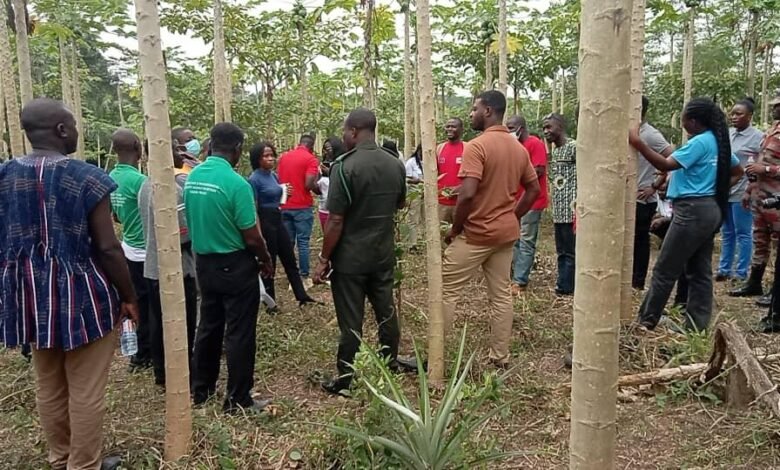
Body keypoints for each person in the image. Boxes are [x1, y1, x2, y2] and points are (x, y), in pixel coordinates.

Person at [0, 98, 138, 470]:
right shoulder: (86, 177)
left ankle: (60, 459)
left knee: (48, 382)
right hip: (84, 298)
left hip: (30, 298)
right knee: (86, 388)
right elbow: (108, 247)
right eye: (74, 124)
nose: (77, 130)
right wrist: (129, 297)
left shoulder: (4, 175)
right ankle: (84, 465)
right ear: (62, 130)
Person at [312, 108, 416, 395]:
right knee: (386, 311)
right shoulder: (394, 164)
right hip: (382, 254)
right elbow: (399, 204)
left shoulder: (344, 167)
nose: (344, 136)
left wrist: (323, 259)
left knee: (351, 320)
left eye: (345, 131)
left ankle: (346, 378)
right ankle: (389, 360)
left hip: (350, 259)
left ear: (354, 131)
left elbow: (335, 219)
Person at [442, 91, 540, 366]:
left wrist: (455, 229)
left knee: (446, 291)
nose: (471, 114)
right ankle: (500, 356)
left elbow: (468, 193)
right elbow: (533, 189)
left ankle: (435, 357)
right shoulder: (518, 148)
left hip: (476, 235)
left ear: (487, 111)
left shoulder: (476, 146)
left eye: (474, 109)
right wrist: (513, 215)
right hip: (504, 235)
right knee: (500, 296)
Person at [630, 97, 743, 331]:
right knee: (699, 270)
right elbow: (738, 171)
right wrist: (714, 189)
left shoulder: (700, 142)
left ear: (692, 121)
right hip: (710, 209)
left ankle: (646, 321)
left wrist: (638, 143)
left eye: (683, 117)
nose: (681, 121)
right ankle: (696, 325)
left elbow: (665, 163)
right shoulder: (717, 141)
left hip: (691, 212)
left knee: (665, 268)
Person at [183, 122, 274, 413]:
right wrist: (265, 258)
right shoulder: (237, 184)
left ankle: (202, 390)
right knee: (239, 332)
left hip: (204, 263)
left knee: (208, 327)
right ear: (237, 150)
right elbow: (251, 234)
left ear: (210, 144)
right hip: (234, 265)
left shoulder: (193, 177)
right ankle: (238, 399)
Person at [138, 142, 198, 387]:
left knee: (157, 321)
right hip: (177, 269)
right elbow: (183, 234)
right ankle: (183, 373)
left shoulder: (145, 184)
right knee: (183, 324)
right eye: (175, 149)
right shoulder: (170, 189)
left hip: (152, 267)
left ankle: (162, 373)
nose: (180, 154)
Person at [248, 141, 316, 308]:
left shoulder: (273, 175)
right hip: (265, 221)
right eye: (266, 156)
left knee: (289, 258)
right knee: (269, 262)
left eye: (272, 155)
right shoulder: (254, 179)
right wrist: (259, 233)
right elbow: (254, 208)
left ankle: (302, 296)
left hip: (278, 218)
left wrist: (285, 193)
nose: (270, 159)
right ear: (258, 159)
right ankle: (271, 303)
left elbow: (276, 197)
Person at [109, 129, 152, 371]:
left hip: (127, 249)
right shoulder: (140, 181)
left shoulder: (110, 176)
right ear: (138, 147)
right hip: (144, 250)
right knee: (148, 306)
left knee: (135, 302)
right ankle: (144, 354)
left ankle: (138, 354)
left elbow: (114, 216)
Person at [714, 98, 764, 283]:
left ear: (750, 116)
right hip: (725, 189)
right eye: (732, 113)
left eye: (739, 113)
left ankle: (741, 272)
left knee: (743, 232)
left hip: (743, 191)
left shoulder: (758, 137)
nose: (734, 117)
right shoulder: (728, 134)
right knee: (727, 231)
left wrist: (752, 187)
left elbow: (761, 163)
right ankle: (724, 268)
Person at [633, 97, 674, 290]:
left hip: (643, 198)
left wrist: (655, 184)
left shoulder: (650, 135)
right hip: (628, 197)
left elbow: (671, 157)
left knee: (640, 241)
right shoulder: (634, 131)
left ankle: (637, 282)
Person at [506, 114, 548, 293]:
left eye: (511, 128)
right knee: (513, 239)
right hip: (515, 200)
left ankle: (520, 281)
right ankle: (514, 275)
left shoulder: (535, 143)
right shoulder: (512, 146)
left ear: (520, 128)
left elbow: (538, 170)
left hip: (532, 200)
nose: (508, 131)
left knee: (526, 241)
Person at [750, 92, 780, 332]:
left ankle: (775, 291)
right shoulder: (772, 130)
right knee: (759, 240)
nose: (774, 110)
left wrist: (767, 168)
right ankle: (755, 282)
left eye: (777, 107)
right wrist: (750, 188)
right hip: (761, 195)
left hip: (777, 198)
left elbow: (767, 164)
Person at [278, 134, 320, 288]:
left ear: (299, 143)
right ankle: (303, 277)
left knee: (288, 243)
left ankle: (291, 277)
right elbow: (309, 183)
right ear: (312, 146)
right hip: (302, 206)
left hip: (285, 205)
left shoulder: (284, 157)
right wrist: (318, 188)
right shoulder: (310, 159)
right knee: (303, 242)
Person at [543, 113, 577, 296]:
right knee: (562, 250)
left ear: (561, 127)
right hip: (559, 210)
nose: (546, 131)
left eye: (549, 127)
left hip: (572, 210)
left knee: (570, 251)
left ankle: (566, 287)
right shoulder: (555, 152)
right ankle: (564, 284)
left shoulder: (574, 147)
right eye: (544, 128)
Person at [437, 118, 465, 224]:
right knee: (441, 236)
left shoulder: (468, 148)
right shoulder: (439, 149)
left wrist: (459, 189)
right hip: (441, 203)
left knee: (461, 236)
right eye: (448, 126)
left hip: (461, 203)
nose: (450, 129)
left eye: (453, 126)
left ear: (461, 129)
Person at [318, 137, 345, 231]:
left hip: (338, 209)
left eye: (328, 149)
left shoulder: (343, 163)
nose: (326, 152)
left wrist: (330, 172)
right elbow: (317, 188)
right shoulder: (323, 164)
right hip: (324, 208)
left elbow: (344, 180)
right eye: (324, 149)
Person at [404, 144, 424, 246]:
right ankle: (412, 244)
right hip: (414, 193)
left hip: (427, 193)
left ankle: (423, 239)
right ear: (419, 150)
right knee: (413, 219)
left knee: (425, 218)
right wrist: (415, 181)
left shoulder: (430, 161)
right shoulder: (411, 162)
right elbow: (406, 179)